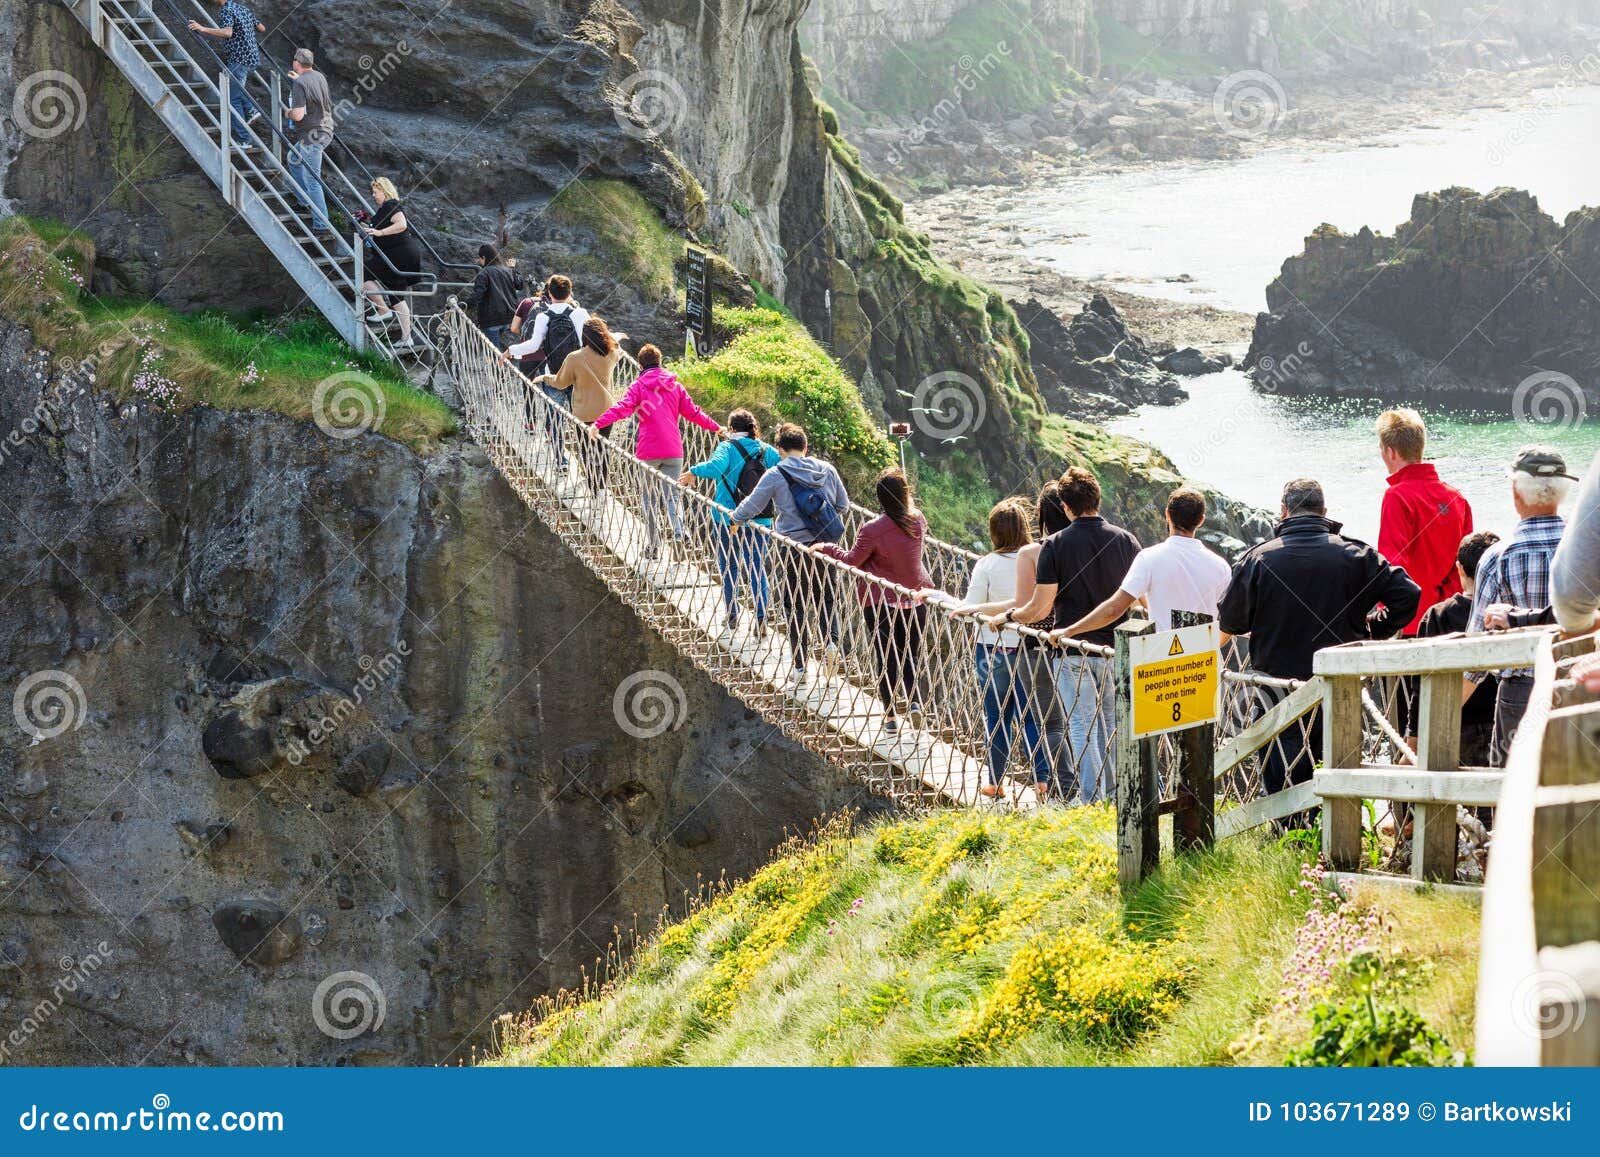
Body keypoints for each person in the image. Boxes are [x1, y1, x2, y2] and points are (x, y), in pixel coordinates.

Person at [1219, 478, 1420, 799]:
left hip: (1277, 690)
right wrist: (1374, 629)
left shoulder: (1258, 560)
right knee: (1338, 771)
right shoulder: (1357, 555)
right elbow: (1408, 594)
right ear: (1324, 511)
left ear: (1283, 511)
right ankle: (1334, 841)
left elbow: (1230, 619)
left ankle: (1288, 840)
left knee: (1282, 778)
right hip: (1338, 687)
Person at [991, 466, 1140, 804]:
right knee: (1113, 725)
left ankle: (1092, 800)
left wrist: (1008, 617)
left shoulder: (1055, 546)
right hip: (1118, 650)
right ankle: (1117, 796)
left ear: (1067, 507)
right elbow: (1141, 598)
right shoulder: (1126, 541)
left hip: (1073, 650)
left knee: (1082, 725)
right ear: (1097, 499)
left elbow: (1039, 609)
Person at [1469, 446, 1577, 765]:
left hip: (1521, 692)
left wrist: (1431, 725)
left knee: (1512, 783)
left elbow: (1477, 652)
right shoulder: (1585, 552)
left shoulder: (1498, 557)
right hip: (1581, 685)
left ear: (1517, 491)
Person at [817, 469, 934, 733]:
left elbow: (850, 561)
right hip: (916, 599)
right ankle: (915, 703)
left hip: (882, 600)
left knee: (887, 656)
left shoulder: (871, 529)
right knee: (910, 654)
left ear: (879, 499)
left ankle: (890, 717)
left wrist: (826, 547)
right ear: (905, 494)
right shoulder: (918, 520)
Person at [731, 423, 850, 682]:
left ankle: (799, 667)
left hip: (794, 548)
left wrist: (736, 518)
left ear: (780, 449)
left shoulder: (776, 473)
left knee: (794, 604)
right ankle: (830, 641)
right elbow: (843, 505)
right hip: (826, 547)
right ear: (805, 447)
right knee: (826, 598)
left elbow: (753, 504)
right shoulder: (827, 470)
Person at [591, 345, 721, 559]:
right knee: (672, 496)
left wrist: (598, 424)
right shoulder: (675, 386)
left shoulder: (638, 385)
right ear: (660, 363)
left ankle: (653, 547)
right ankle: (680, 532)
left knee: (649, 500)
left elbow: (622, 407)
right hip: (673, 451)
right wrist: (716, 427)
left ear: (640, 366)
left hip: (648, 452)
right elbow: (694, 413)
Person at [1054, 487, 1232, 639]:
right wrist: (1206, 645)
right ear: (1201, 520)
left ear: (1167, 514)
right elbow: (1230, 621)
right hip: (1206, 665)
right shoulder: (1221, 566)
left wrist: (1070, 631)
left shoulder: (1149, 558)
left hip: (1165, 664)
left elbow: (1115, 609)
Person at [1376, 409, 1474, 633]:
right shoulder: (1457, 497)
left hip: (1411, 620)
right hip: (1451, 617)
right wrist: (1442, 599)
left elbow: (1394, 562)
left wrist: (1386, 613)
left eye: (1381, 450)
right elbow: (1465, 562)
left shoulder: (1396, 496)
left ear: (1391, 452)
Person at [681, 410, 780, 632]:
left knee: (729, 566)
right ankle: (762, 617)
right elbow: (784, 468)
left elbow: (716, 467)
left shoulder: (727, 447)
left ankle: (733, 615)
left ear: (732, 429)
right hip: (760, 520)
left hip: (727, 517)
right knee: (757, 568)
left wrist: (693, 472)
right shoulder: (767, 451)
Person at [1411, 532, 1501, 772]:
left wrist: (1414, 736)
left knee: (1454, 801)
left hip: (1453, 726)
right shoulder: (1510, 615)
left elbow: (1422, 684)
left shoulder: (1439, 615)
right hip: (1501, 721)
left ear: (1459, 568)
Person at [505, 277, 589, 467]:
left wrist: (511, 350)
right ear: (570, 293)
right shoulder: (580, 314)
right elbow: (592, 341)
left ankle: (560, 460)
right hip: (578, 376)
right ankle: (586, 458)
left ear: (549, 294)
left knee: (556, 418)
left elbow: (534, 345)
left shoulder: (543, 317)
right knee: (581, 417)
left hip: (553, 375)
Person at [537, 317, 623, 495]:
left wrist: (544, 378)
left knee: (586, 450)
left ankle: (593, 486)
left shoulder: (574, 358)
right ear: (603, 335)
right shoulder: (611, 354)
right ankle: (601, 487)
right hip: (607, 412)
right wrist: (614, 337)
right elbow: (617, 348)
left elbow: (560, 383)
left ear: (583, 335)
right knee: (603, 448)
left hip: (584, 414)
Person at [187, 0, 266, 145]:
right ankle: (250, 109)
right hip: (252, 58)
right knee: (236, 90)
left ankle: (245, 139)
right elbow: (261, 28)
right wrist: (245, 31)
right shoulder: (242, 8)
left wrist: (203, 29)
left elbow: (227, 32)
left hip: (238, 59)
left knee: (231, 99)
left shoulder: (226, 10)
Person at [359, 177, 424, 348]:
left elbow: (401, 224)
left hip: (398, 254)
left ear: (385, 191)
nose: (373, 195)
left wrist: (379, 233)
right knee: (397, 296)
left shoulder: (391, 205)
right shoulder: (385, 209)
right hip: (404, 254)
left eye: (376, 191)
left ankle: (383, 309)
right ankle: (406, 338)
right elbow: (377, 228)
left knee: (363, 271)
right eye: (372, 192)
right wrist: (364, 222)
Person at [284, 49, 335, 237]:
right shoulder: (319, 77)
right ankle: (304, 202)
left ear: (297, 62)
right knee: (293, 158)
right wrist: (298, 79)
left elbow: (297, 115)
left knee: (314, 180)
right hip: (326, 130)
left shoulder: (299, 83)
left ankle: (321, 225)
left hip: (311, 136)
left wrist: (286, 112)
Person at [464, 245, 523, 348]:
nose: (479, 261)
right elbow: (520, 285)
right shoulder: (508, 270)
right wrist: (513, 269)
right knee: (498, 351)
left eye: (480, 258)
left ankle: (495, 364)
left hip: (491, 319)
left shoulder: (484, 273)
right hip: (509, 318)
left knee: (493, 353)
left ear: (484, 257)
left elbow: (477, 295)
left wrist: (464, 305)